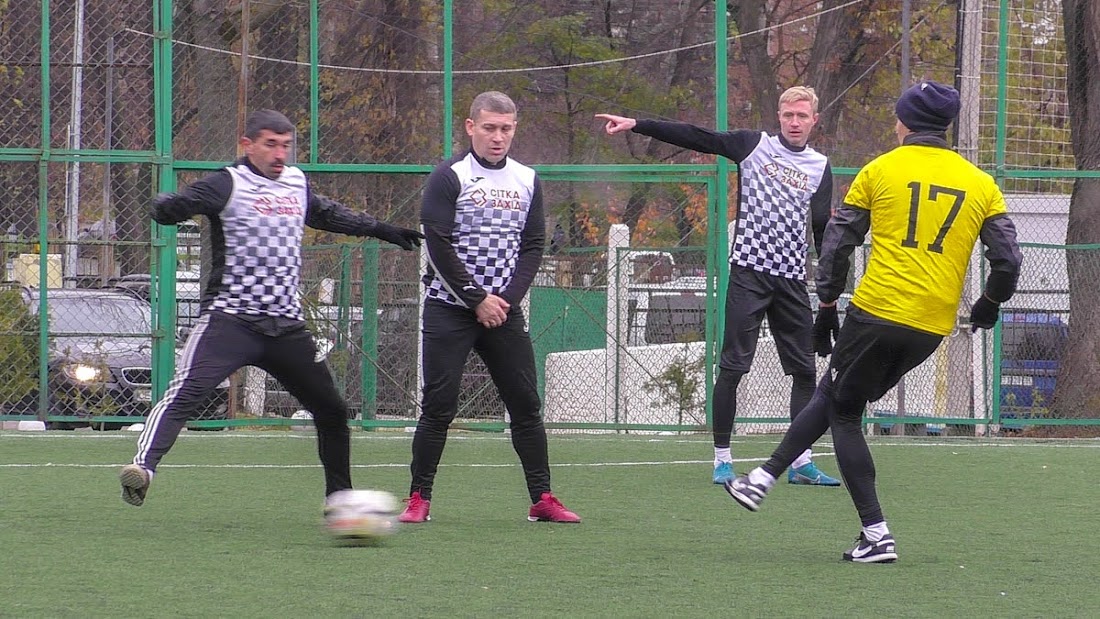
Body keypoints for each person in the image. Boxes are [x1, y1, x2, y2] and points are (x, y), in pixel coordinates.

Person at [724, 81, 1023, 563]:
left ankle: (874, 532)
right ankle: (763, 477)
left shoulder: (879, 170)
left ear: (904, 122)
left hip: (879, 309)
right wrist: (988, 304)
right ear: (945, 126)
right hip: (931, 326)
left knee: (842, 409)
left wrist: (824, 306)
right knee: (839, 397)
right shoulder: (981, 183)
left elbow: (837, 244)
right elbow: (1007, 261)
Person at [118, 109, 423, 509]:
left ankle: (340, 498)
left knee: (331, 408)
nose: (280, 153)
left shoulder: (296, 183)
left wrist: (383, 230)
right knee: (187, 392)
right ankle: (143, 469)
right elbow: (183, 203)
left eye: (285, 145)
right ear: (247, 145)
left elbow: (330, 214)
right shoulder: (227, 183)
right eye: (270, 144)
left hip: (286, 327)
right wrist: (166, 207)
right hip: (231, 321)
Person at [596, 87, 841, 487]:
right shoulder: (753, 146)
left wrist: (828, 290)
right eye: (788, 115)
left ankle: (801, 463)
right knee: (732, 368)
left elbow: (820, 231)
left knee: (804, 372)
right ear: (778, 116)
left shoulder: (820, 166)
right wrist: (638, 124)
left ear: (815, 120)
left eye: (802, 116)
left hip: (793, 282)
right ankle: (722, 460)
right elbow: (698, 136)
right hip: (749, 274)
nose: (794, 122)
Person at [397, 91, 580, 524]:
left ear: (515, 128)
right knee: (438, 406)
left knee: (526, 405)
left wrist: (503, 302)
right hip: (449, 309)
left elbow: (534, 245)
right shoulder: (448, 176)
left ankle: (542, 498)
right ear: (470, 127)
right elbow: (437, 244)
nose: (498, 137)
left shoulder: (527, 179)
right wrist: (476, 299)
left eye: (506, 128)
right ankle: (419, 498)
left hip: (503, 312)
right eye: (489, 128)